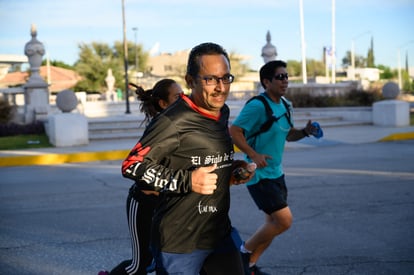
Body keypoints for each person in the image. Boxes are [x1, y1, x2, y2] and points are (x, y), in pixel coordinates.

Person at [121, 42, 245, 275]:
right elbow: (132, 165)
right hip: (181, 242)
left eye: (225, 78)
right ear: (190, 81)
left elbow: (202, 160)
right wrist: (187, 181)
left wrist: (232, 171)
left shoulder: (222, 112)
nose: (220, 88)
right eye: (210, 79)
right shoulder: (173, 121)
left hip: (219, 233)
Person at [229, 60, 317, 275]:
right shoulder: (257, 105)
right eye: (280, 77)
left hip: (277, 172)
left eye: (286, 76)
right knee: (284, 221)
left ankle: (249, 267)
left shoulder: (286, 105)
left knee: (272, 226)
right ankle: (242, 254)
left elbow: (288, 134)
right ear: (266, 81)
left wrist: (305, 132)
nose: (285, 80)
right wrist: (254, 154)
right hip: (258, 175)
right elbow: (235, 131)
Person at [99, 79, 183, 275]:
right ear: (163, 104)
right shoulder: (159, 128)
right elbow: (135, 166)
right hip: (144, 203)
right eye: (178, 97)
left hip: (165, 204)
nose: (183, 100)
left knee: (162, 260)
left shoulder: (178, 126)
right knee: (141, 265)